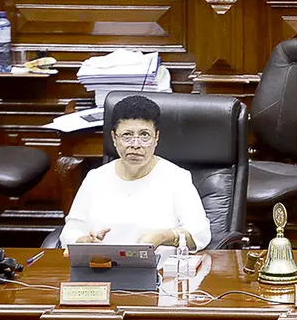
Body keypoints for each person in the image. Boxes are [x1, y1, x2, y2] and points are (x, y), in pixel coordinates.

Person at [60, 95, 212, 250]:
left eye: (144, 135)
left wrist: (163, 237)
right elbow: (69, 232)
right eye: (127, 135)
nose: (135, 145)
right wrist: (83, 241)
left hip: (159, 270)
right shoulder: (96, 178)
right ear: (114, 138)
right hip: (102, 268)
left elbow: (200, 233)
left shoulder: (176, 178)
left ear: (156, 137)